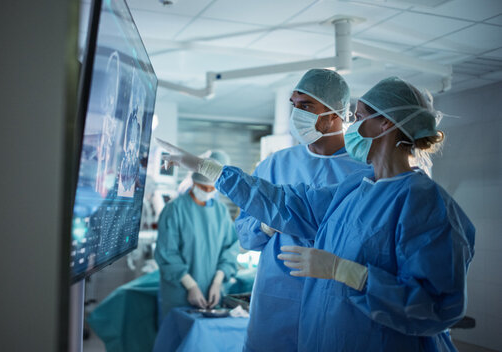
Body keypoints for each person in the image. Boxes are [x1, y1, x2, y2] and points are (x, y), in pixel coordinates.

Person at [157, 76, 475, 351]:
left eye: (360, 115)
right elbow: (284, 201)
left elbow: (436, 306)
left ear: (385, 124)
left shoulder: (424, 201)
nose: (353, 124)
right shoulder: (354, 188)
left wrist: (347, 272)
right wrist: (204, 167)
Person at [236, 69, 369, 352]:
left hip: (335, 299)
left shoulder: (364, 171)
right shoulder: (274, 166)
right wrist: (264, 225)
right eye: (294, 105)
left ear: (335, 114)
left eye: (306, 106)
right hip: (275, 300)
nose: (296, 113)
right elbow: (245, 234)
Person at [154, 150, 239, 321]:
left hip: (212, 295)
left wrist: (217, 282)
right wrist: (191, 285)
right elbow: (167, 254)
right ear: (193, 181)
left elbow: (230, 249)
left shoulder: (221, 211)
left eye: (212, 188)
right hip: (179, 294)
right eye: (203, 187)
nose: (208, 191)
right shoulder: (174, 209)